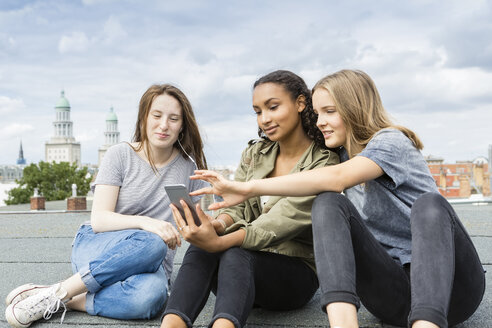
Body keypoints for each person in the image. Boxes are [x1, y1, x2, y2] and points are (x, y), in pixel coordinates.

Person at [190, 70, 486, 328]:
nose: (319, 122)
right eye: (317, 114)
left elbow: (338, 178)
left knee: (429, 205)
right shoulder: (338, 157)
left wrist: (248, 187)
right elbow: (324, 180)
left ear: (354, 108)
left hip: (453, 291)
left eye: (329, 112)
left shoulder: (390, 142)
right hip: (393, 297)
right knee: (328, 203)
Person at [5, 84, 208, 327]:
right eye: (156, 115)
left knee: (151, 297)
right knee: (153, 242)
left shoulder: (189, 168)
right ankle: (59, 294)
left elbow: (198, 224)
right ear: (143, 118)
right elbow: (99, 220)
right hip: (98, 248)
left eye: (173, 119)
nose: (164, 125)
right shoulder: (120, 155)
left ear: (182, 125)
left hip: (151, 267)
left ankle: (58, 295)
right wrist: (148, 223)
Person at [161, 70, 339, 328]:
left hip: (293, 275)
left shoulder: (324, 162)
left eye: (273, 107)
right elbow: (238, 209)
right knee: (203, 244)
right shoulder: (255, 153)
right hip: (239, 276)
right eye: (258, 111)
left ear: (301, 103)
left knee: (233, 252)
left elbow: (277, 224)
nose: (264, 119)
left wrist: (220, 242)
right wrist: (216, 226)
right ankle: (172, 324)